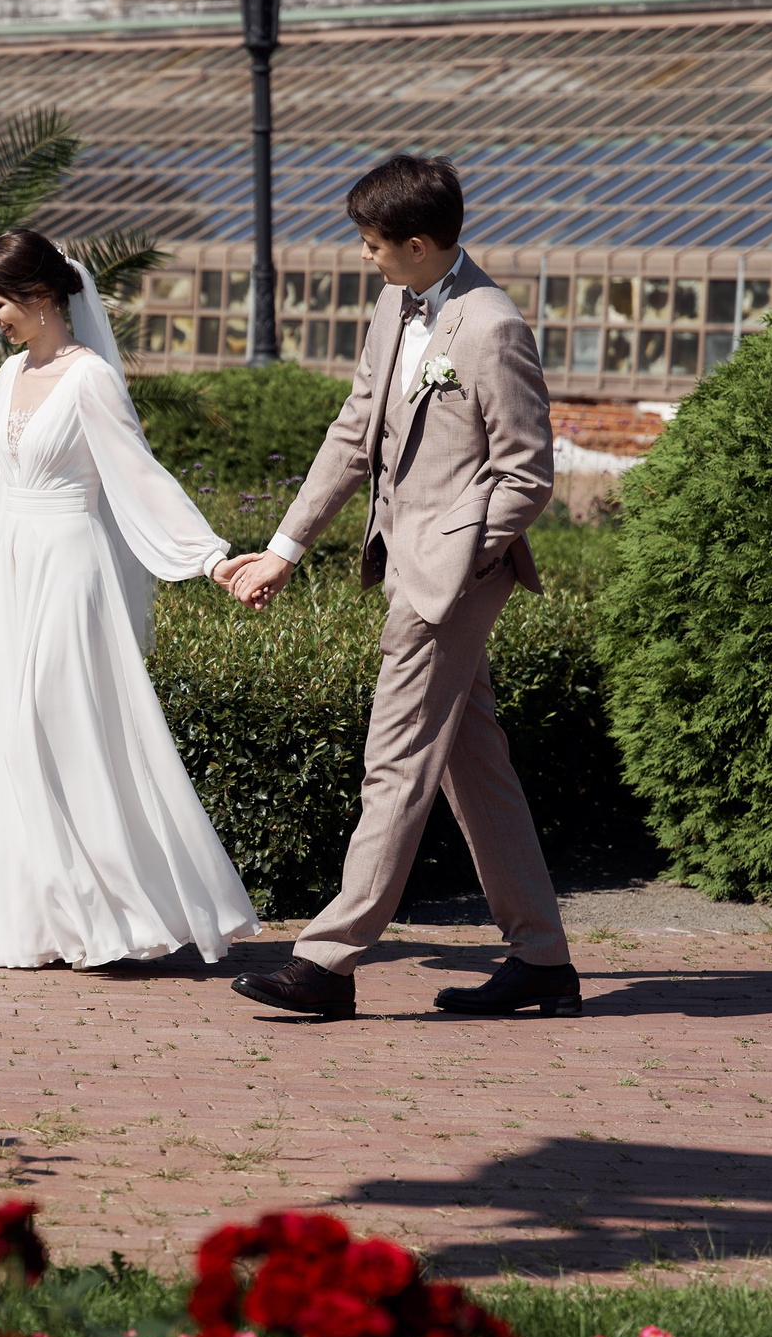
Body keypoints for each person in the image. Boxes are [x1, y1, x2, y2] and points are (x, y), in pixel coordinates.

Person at [218, 155, 580, 1020]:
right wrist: (285, 546)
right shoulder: (395, 303)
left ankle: (327, 963)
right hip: (411, 563)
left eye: (374, 244)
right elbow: (355, 430)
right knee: (471, 764)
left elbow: (528, 475)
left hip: (446, 579)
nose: (365, 257)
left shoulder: (491, 326)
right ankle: (542, 958)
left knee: (395, 761)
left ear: (420, 243)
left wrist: (456, 559)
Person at [0, 229, 261, 971]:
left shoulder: (91, 379)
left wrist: (210, 559)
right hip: (15, 572)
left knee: (59, 725)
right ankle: (39, 917)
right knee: (13, 738)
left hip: (72, 572)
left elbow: (140, 477)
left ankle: (115, 912)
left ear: (42, 297)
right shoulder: (8, 376)